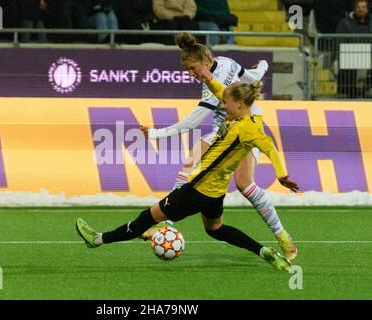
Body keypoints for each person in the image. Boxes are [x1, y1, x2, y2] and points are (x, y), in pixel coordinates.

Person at [76, 79, 300, 271]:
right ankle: (264, 252)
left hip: (196, 190)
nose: (222, 105)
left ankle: (96, 239)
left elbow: (270, 147)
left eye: (226, 103)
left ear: (239, 104)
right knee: (216, 229)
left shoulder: (248, 130)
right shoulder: (249, 119)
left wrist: (281, 175)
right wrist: (206, 77)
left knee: (145, 219)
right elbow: (222, 91)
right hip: (216, 193)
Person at [139, 32, 298, 261]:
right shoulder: (225, 61)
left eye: (192, 68)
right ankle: (167, 225)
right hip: (225, 128)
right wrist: (262, 66)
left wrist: (156, 133)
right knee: (195, 163)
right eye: (187, 70)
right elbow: (249, 75)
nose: (190, 74)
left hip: (244, 128)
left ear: (204, 61)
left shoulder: (213, 82)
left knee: (243, 184)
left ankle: (283, 237)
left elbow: (194, 121)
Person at [335, 0, 372, 98]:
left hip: (368, 55)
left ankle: (366, 89)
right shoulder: (345, 23)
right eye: (358, 7)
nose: (361, 9)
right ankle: (359, 90)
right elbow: (339, 41)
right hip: (350, 55)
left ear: (367, 10)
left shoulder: (370, 24)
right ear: (354, 9)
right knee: (362, 60)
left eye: (363, 7)